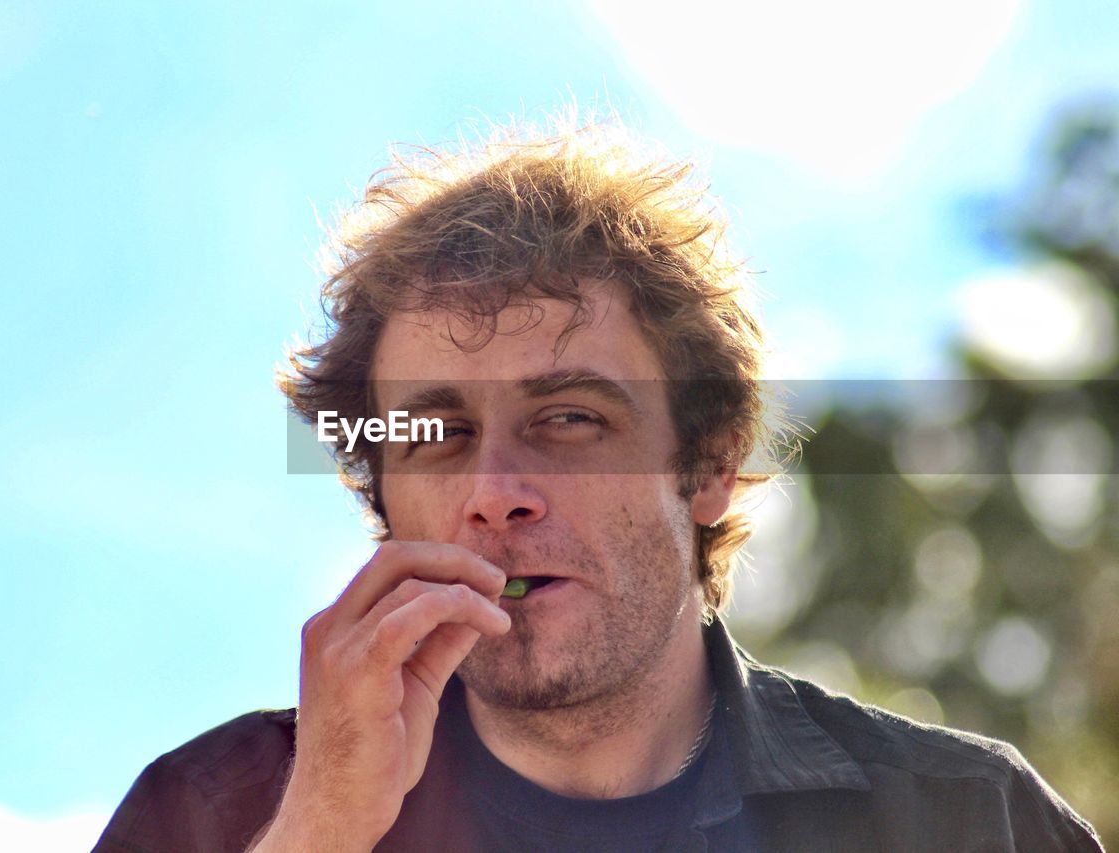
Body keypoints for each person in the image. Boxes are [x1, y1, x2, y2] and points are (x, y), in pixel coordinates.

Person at [93, 119, 1103, 852]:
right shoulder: (211, 814)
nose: (495, 493)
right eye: (439, 435)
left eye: (567, 419)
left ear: (707, 461)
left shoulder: (966, 821)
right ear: (382, 497)